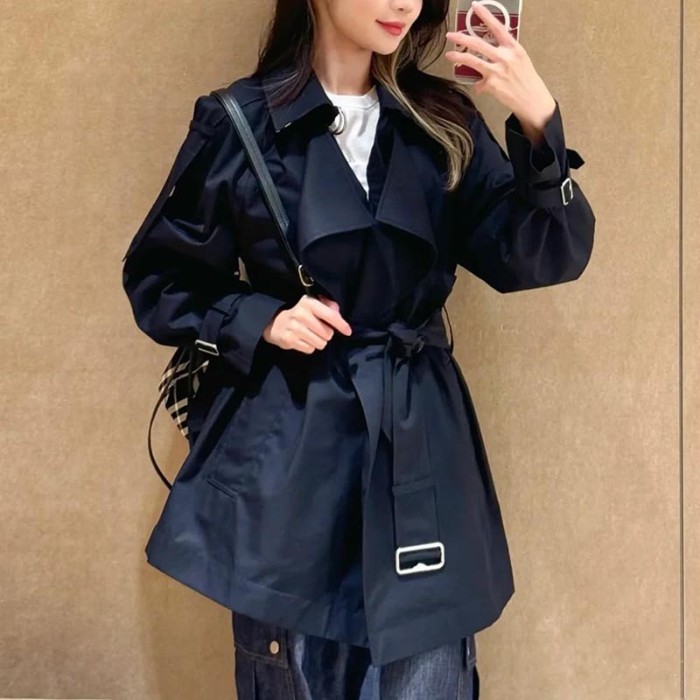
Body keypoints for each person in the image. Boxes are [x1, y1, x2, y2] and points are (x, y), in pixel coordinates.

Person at [120, 0, 595, 697]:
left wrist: (538, 121)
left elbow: (541, 254)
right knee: (297, 668)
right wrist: (261, 318)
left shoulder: (443, 123)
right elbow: (159, 278)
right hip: (293, 462)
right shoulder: (240, 122)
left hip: (421, 450)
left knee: (428, 669)